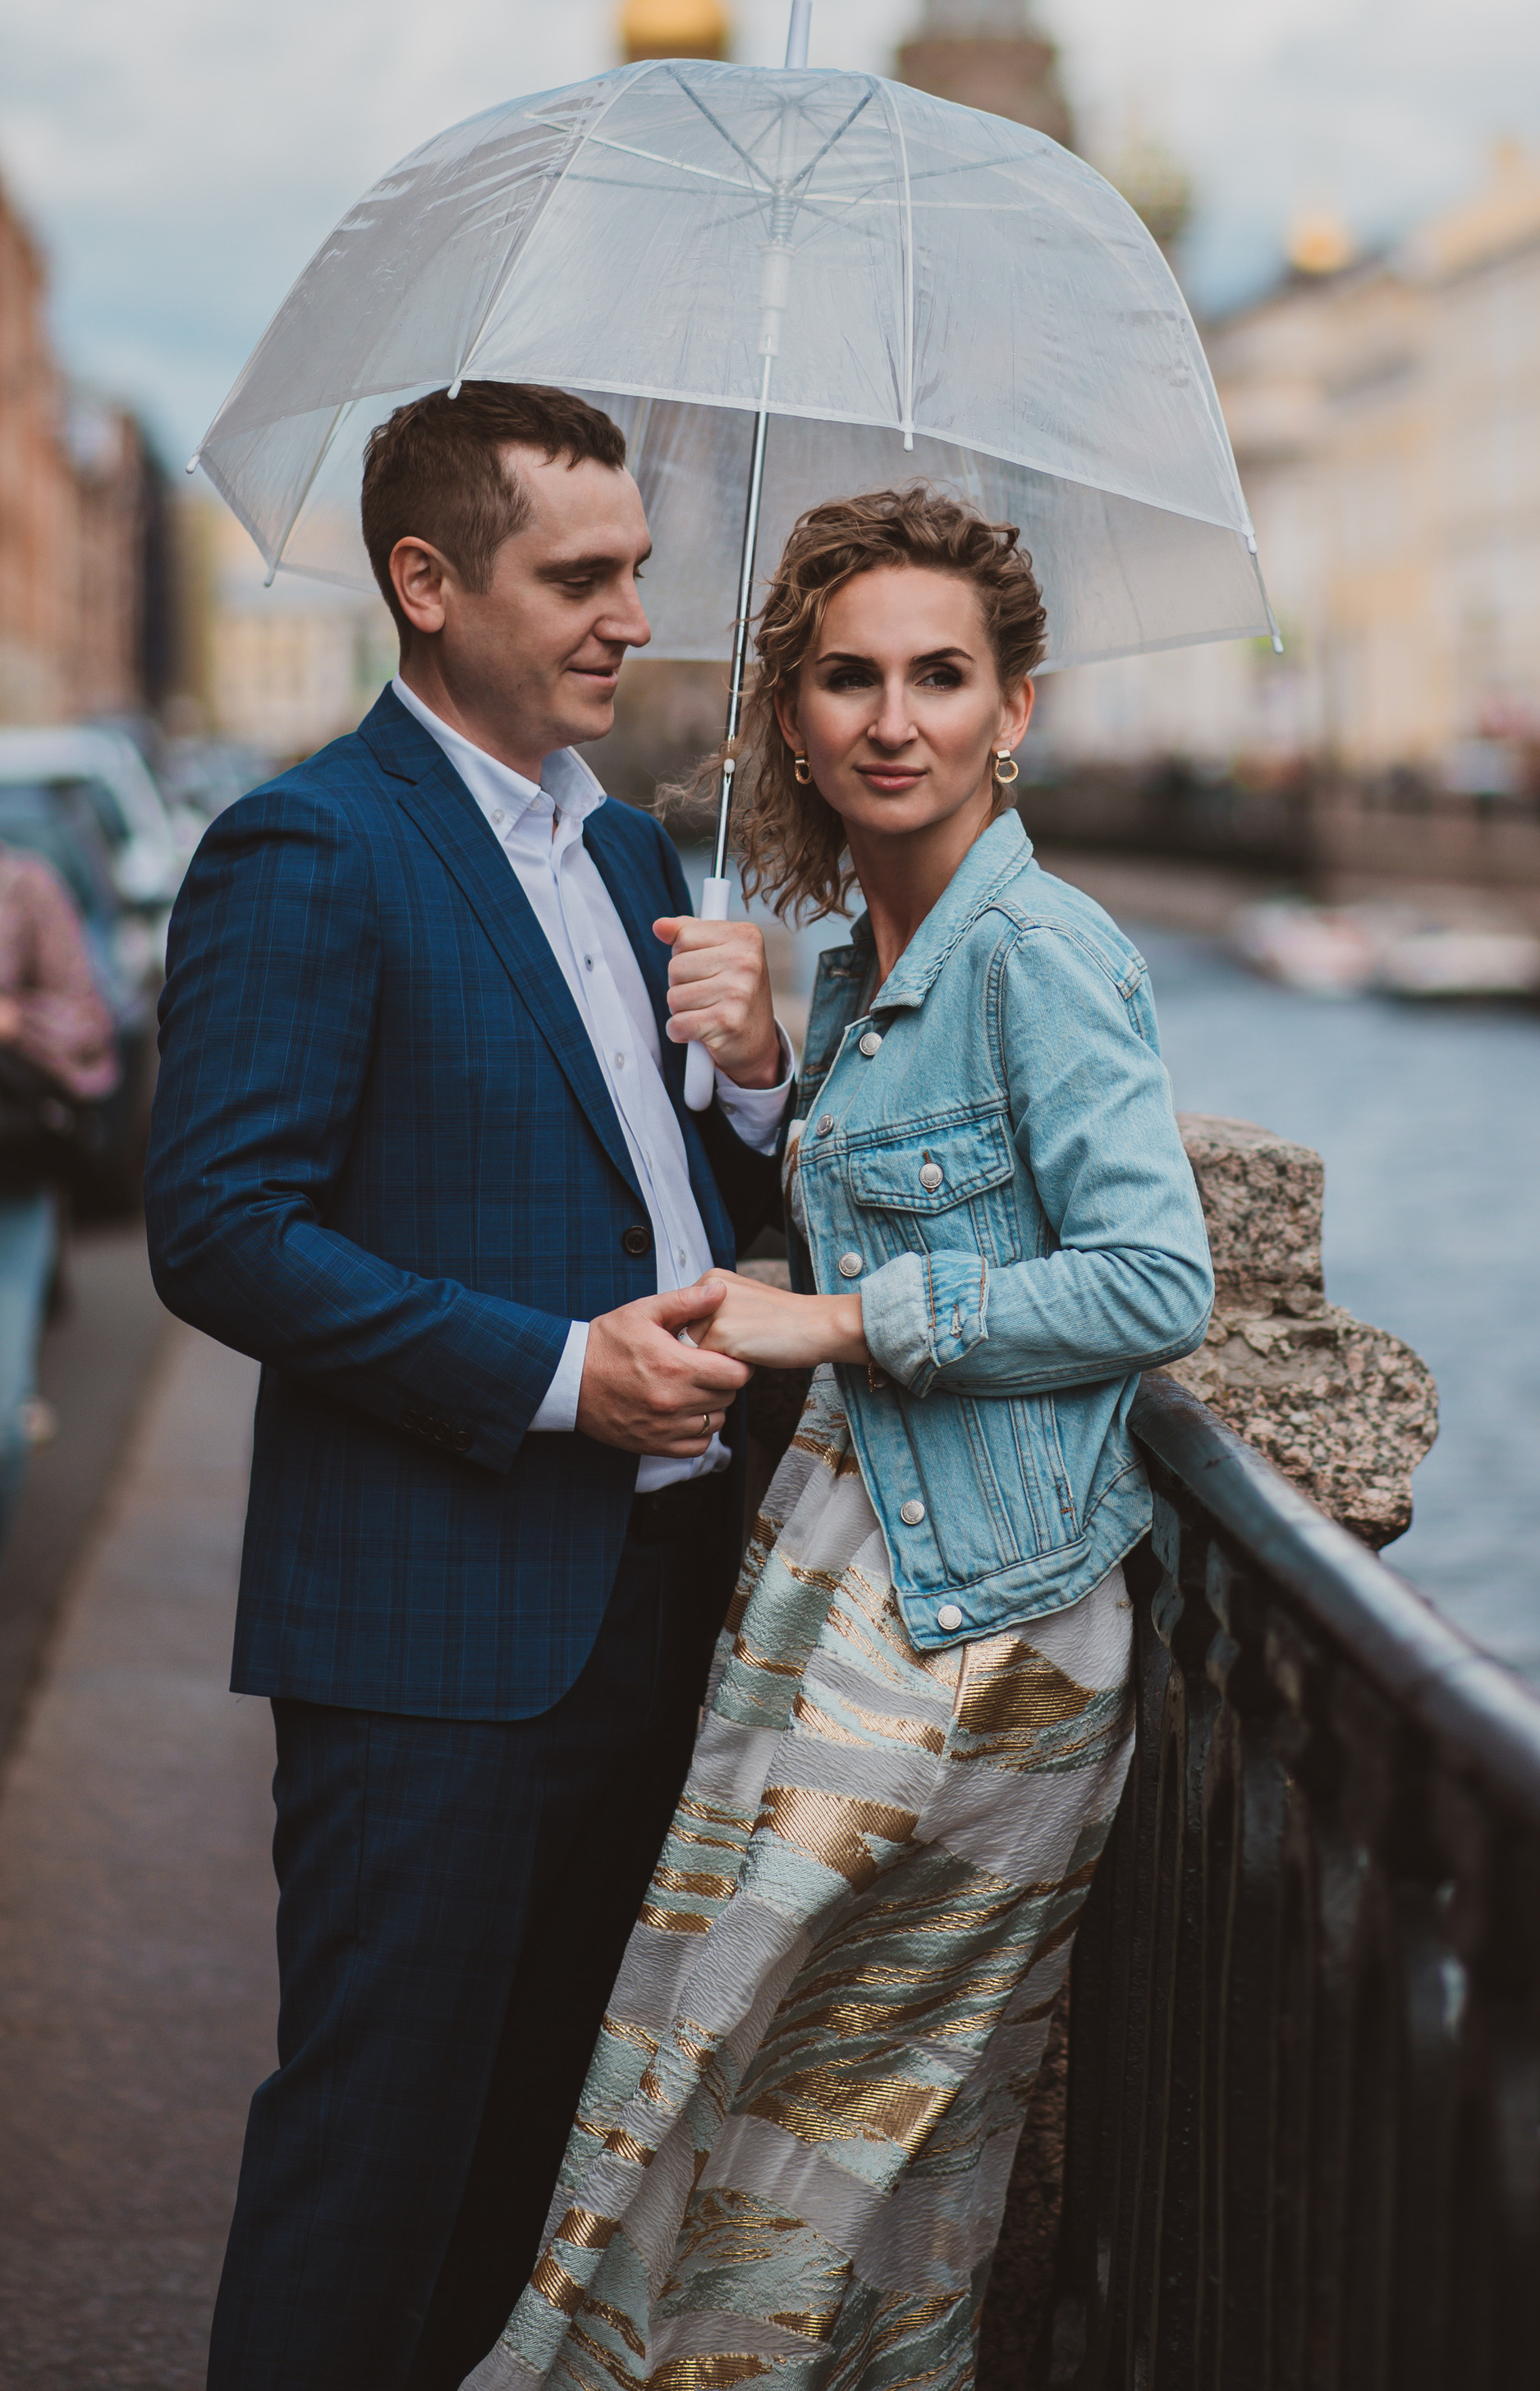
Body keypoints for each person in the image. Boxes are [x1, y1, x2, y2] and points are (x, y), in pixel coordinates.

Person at [470, 484, 1214, 2391]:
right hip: (858, 1576)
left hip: (972, 1632)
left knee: (779, 2121)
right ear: (791, 717)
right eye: (849, 676)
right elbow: (914, 1210)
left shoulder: (1034, 947)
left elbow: (1151, 1278)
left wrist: (839, 1312)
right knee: (774, 2131)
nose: (895, 717)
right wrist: (762, 1076)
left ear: (1014, 708)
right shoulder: (874, 954)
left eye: (941, 676)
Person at [146, 383, 795, 2391]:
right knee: (376, 2161)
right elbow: (221, 1226)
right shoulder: (310, 843)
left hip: (648, 1610)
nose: (628, 617)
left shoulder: (621, 856)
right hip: (433, 1633)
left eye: (637, 573)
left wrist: (756, 1067)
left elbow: (678, 1194)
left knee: (539, 2170)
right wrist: (547, 1373)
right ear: (425, 583)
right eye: (578, 575)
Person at [0, 841, 117, 1549]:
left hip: (8, 1184)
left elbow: (91, 1022)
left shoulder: (23, 886)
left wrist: (15, 1022)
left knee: (3, 1424)